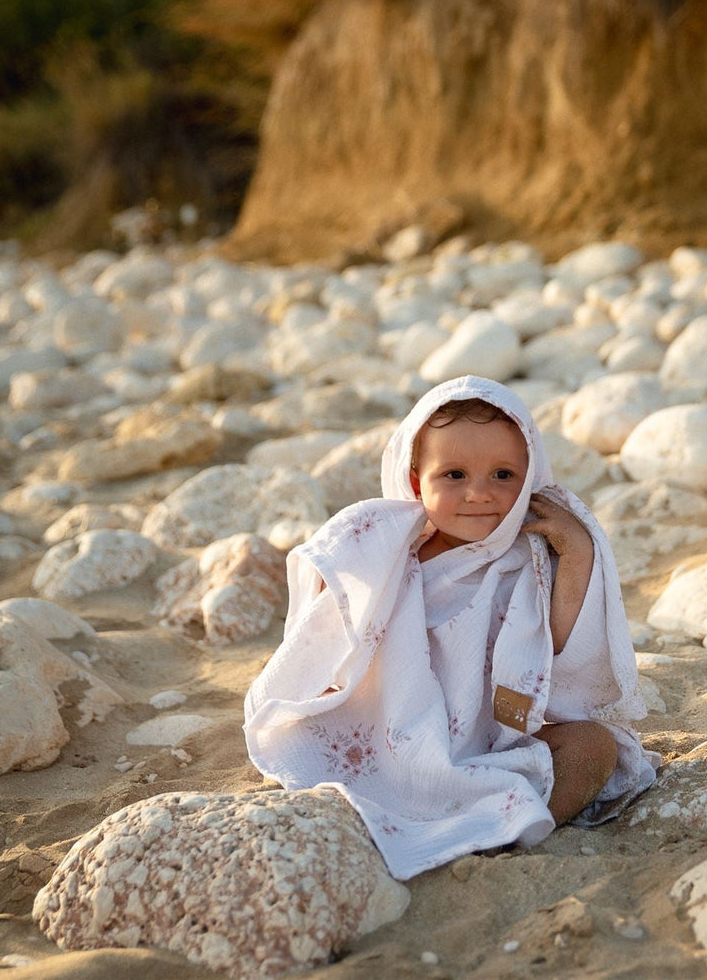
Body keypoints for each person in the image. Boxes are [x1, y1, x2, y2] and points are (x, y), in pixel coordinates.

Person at [244, 375, 656, 880]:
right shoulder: (388, 548)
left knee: (595, 747)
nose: (479, 494)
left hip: (490, 742)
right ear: (418, 482)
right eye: (455, 475)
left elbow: (564, 650)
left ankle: (505, 834)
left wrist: (577, 555)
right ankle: (450, 814)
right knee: (319, 744)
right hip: (390, 734)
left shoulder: (530, 561)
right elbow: (330, 617)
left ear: (529, 479)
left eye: (503, 475)